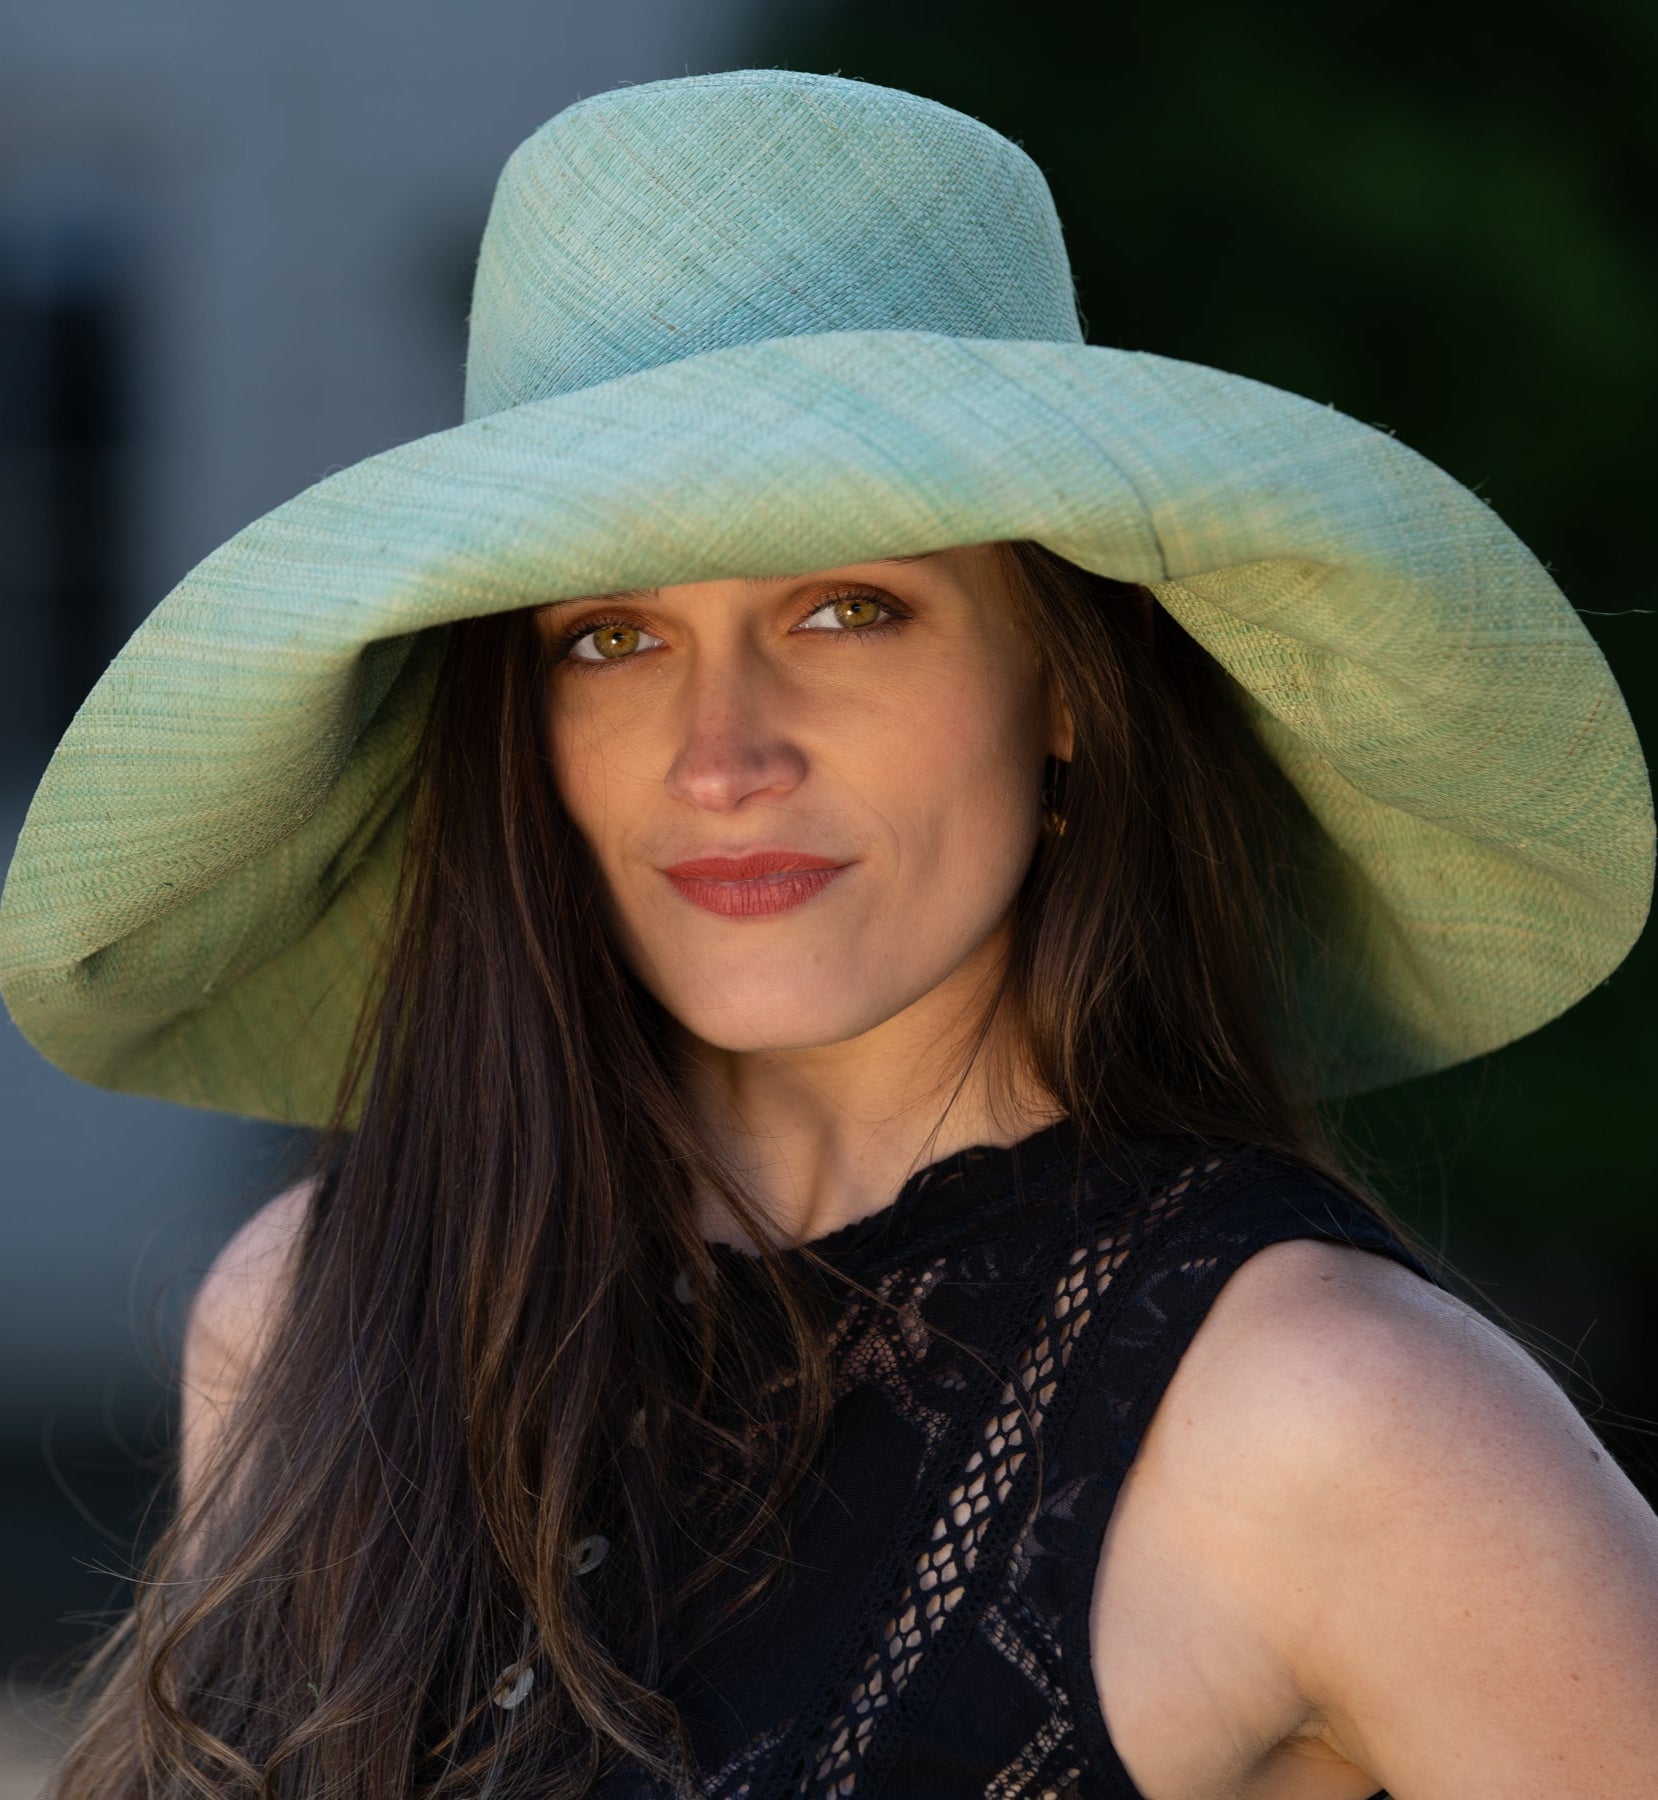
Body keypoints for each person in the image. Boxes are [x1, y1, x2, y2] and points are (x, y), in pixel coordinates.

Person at [3, 67, 1656, 1800]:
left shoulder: (1336, 1422)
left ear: (1066, 691)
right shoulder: (310, 1316)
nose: (721, 757)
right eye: (610, 640)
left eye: (849, 608)